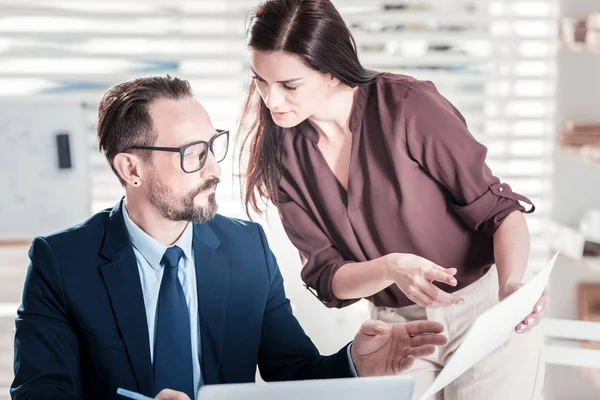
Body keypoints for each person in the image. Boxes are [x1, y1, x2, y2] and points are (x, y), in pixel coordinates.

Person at [10, 75, 448, 400]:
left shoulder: (247, 249)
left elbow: (292, 371)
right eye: (191, 154)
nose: (214, 169)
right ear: (131, 169)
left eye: (211, 146)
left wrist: (355, 364)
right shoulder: (62, 262)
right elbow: (39, 393)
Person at [237, 1, 549, 399]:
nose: (271, 101)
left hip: (482, 310)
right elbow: (327, 277)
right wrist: (390, 268)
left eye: (289, 85)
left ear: (330, 71)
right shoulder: (281, 157)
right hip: (397, 332)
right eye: (260, 81)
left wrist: (512, 288)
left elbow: (501, 214)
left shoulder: (406, 105)